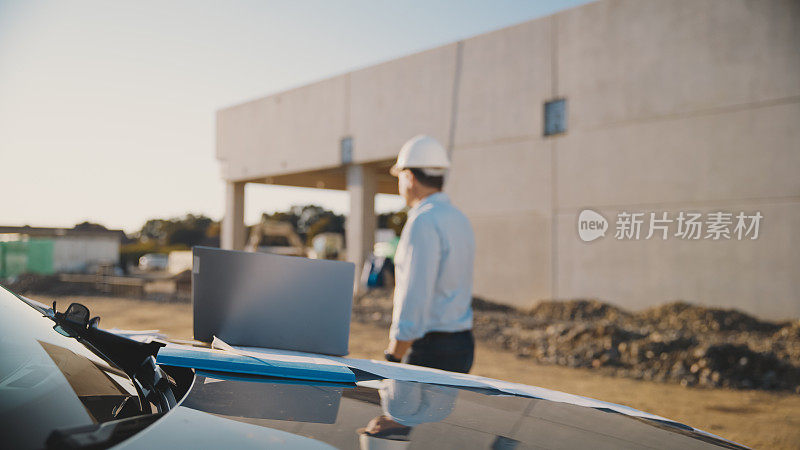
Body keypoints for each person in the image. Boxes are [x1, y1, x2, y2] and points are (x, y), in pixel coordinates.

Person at [383, 135, 476, 374]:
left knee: (398, 412)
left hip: (430, 350)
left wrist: (394, 355)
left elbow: (415, 294)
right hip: (461, 345)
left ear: (410, 177)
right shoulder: (459, 217)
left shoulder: (423, 221)